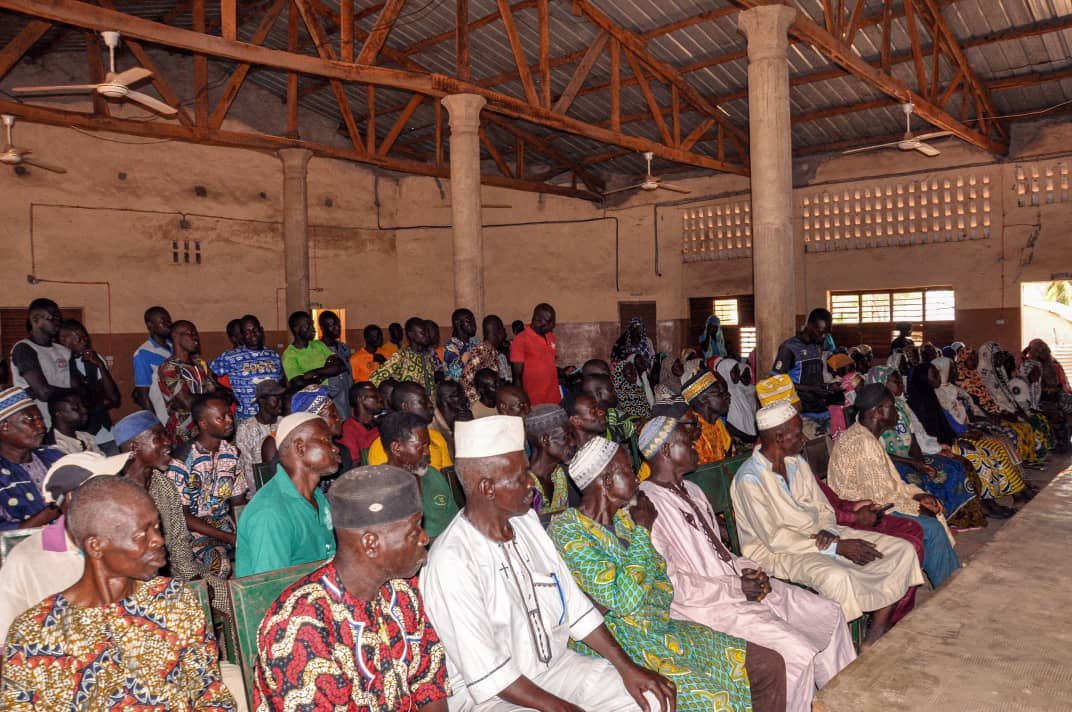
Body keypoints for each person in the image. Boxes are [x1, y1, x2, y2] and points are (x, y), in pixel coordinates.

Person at [420, 416, 677, 712]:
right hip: (494, 698)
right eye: (520, 477)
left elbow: (577, 608)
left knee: (652, 698)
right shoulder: (451, 561)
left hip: (555, 670)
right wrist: (563, 709)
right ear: (487, 488)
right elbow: (489, 675)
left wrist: (628, 668)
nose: (531, 484)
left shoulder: (526, 522)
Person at [551, 437, 788, 712]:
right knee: (718, 702)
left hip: (660, 628)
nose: (637, 479)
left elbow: (662, 586)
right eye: (628, 471)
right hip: (622, 645)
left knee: (767, 664)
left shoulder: (623, 521)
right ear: (606, 481)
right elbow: (624, 600)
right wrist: (643, 531)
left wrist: (632, 585)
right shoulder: (569, 530)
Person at [638, 416, 856, 712]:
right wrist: (737, 587)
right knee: (797, 651)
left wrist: (751, 572)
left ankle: (848, 702)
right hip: (706, 607)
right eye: (687, 443)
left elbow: (721, 556)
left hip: (737, 588)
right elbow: (673, 586)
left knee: (828, 613)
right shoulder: (646, 507)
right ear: (666, 451)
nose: (695, 448)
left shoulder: (694, 491)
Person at [2, 476, 236, 710]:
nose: (158, 540)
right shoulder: (35, 634)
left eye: (156, 526)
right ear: (96, 546)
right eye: (141, 535)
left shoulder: (174, 600)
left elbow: (210, 695)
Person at [254, 465, 450, 710]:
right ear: (371, 543)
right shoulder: (300, 626)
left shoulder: (402, 591)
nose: (424, 538)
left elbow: (428, 686)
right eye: (413, 531)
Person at [731, 403, 924, 642]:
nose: (804, 438)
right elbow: (776, 539)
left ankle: (875, 632)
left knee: (902, 550)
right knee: (837, 577)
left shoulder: (796, 463)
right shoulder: (750, 480)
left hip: (822, 537)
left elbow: (823, 508)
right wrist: (836, 547)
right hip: (779, 554)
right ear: (779, 437)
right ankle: (841, 648)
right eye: (798, 433)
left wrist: (830, 532)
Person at [827, 383, 961, 588]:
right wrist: (917, 506)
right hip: (859, 514)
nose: (898, 412)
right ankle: (950, 588)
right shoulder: (863, 443)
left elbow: (889, 486)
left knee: (929, 506)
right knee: (931, 527)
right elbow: (880, 500)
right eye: (893, 406)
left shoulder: (865, 436)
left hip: (873, 504)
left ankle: (947, 575)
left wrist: (917, 496)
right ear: (878, 411)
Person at [0, 450, 128, 644]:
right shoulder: (27, 559)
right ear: (71, 498)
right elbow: (5, 642)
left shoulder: (125, 539)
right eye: (105, 488)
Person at [869, 366, 987, 527]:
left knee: (955, 465)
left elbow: (913, 437)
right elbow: (877, 453)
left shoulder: (901, 406)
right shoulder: (872, 414)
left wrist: (920, 461)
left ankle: (962, 515)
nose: (902, 386)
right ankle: (942, 518)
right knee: (923, 478)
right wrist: (915, 463)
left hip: (909, 458)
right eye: (896, 382)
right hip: (889, 463)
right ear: (881, 383)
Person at [915, 357, 1026, 515]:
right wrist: (954, 440)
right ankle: (987, 502)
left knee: (995, 449)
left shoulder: (931, 397)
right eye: (935, 375)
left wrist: (958, 436)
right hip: (936, 447)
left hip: (949, 440)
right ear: (923, 378)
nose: (939, 378)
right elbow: (926, 435)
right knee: (979, 458)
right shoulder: (918, 402)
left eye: (938, 374)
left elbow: (948, 423)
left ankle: (1017, 491)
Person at [235, 413, 339, 577]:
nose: (335, 448)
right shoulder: (270, 513)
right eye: (327, 441)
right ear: (300, 447)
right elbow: (270, 587)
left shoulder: (317, 497)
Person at [166, 393, 246, 576]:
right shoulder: (183, 461)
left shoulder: (231, 453)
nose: (229, 421)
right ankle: (215, 602)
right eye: (221, 418)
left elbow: (238, 502)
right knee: (219, 565)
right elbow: (183, 517)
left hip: (224, 526)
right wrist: (229, 538)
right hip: (192, 533)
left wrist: (244, 532)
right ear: (203, 424)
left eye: (229, 415)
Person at [382, 411, 459, 539]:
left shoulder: (433, 475)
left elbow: (455, 524)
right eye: (420, 447)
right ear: (396, 448)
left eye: (427, 445)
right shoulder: (380, 489)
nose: (427, 452)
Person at [10, 297, 81, 429]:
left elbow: (78, 389)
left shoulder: (64, 351)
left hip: (66, 426)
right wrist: (71, 391)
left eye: (59, 318)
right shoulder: (24, 349)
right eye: (52, 317)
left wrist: (54, 390)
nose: (58, 322)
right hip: (37, 425)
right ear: (36, 320)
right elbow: (44, 393)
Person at [0, 387, 64, 529]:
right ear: (5, 427)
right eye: (30, 420)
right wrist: (52, 512)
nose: (42, 426)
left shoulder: (55, 456)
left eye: (40, 418)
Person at [58, 319, 120, 453]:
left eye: (85, 337)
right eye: (79, 338)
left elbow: (114, 398)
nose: (85, 341)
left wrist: (101, 366)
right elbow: (84, 401)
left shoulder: (94, 358)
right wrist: (99, 397)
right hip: (79, 440)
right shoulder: (59, 364)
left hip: (105, 434)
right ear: (64, 340)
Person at [210, 314, 285, 423]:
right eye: (247, 332)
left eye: (255, 330)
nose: (252, 334)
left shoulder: (273, 355)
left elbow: (281, 381)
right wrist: (227, 392)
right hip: (246, 418)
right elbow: (210, 374)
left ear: (261, 330)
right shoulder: (230, 356)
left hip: (273, 417)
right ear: (242, 335)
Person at [366, 381, 453, 470]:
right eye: (423, 402)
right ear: (405, 407)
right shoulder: (382, 447)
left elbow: (447, 477)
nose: (430, 405)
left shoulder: (436, 437)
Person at [158, 320, 219, 445]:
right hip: (184, 431)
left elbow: (217, 393)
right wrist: (211, 397)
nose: (195, 337)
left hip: (206, 429)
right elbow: (187, 402)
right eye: (190, 333)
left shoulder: (199, 364)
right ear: (175, 336)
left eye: (195, 333)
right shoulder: (169, 368)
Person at [771, 308, 841, 415]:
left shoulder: (817, 346)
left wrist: (827, 386)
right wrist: (811, 389)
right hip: (801, 411)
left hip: (820, 408)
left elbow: (812, 378)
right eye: (820, 332)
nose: (824, 337)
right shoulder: (789, 348)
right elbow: (776, 382)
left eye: (827, 333)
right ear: (809, 325)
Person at [524, 404, 579, 525]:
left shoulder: (565, 474)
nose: (573, 442)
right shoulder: (522, 485)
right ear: (545, 440)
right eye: (566, 437)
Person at [235, 379, 284, 492]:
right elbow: (247, 469)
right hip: (260, 491)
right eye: (275, 399)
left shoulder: (284, 423)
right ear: (262, 401)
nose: (280, 403)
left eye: (281, 398)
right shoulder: (246, 429)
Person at [371, 316, 437, 398]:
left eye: (427, 332)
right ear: (411, 335)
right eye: (422, 333)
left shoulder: (427, 356)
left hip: (429, 405)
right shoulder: (401, 356)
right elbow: (375, 379)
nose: (427, 335)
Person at [282, 310, 346, 392]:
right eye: (308, 325)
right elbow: (298, 383)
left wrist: (313, 373)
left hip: (329, 396)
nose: (313, 328)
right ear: (296, 328)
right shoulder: (289, 354)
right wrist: (325, 372)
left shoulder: (318, 345)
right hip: (309, 400)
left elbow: (340, 366)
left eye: (312, 324)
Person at [510, 303, 560, 406]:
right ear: (537, 320)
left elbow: (548, 364)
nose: (553, 325)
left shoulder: (550, 336)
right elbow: (517, 376)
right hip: (534, 402)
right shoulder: (520, 340)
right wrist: (522, 403)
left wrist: (563, 371)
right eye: (549, 321)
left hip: (554, 398)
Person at [681, 370, 734, 464]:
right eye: (721, 393)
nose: (728, 395)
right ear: (703, 400)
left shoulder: (716, 422)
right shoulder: (691, 430)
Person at [132, 305, 173, 423]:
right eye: (162, 321)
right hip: (163, 417)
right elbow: (143, 395)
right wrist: (155, 423)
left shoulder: (175, 346)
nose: (168, 323)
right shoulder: (143, 354)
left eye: (169, 320)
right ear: (150, 325)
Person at [462, 315, 511, 403]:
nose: (505, 332)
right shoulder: (482, 350)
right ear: (498, 332)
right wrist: (476, 401)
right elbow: (465, 377)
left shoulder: (492, 350)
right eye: (503, 329)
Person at [317, 309, 355, 421]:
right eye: (332, 325)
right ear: (323, 328)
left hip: (348, 397)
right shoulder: (318, 350)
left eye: (338, 324)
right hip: (332, 398)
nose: (337, 328)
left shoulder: (343, 348)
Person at [340, 381, 384, 464]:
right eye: (374, 396)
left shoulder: (380, 424)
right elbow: (355, 464)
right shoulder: (348, 429)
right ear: (360, 399)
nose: (380, 399)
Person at [716, 357, 757, 443]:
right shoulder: (723, 395)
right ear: (725, 372)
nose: (737, 375)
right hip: (740, 436)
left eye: (737, 372)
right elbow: (729, 424)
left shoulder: (737, 389)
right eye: (734, 372)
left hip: (749, 435)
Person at [612, 354, 653, 420]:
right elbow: (635, 418)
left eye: (634, 370)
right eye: (629, 373)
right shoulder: (622, 397)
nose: (634, 375)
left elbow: (648, 408)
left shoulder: (636, 388)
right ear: (622, 377)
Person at [445, 308, 480, 382]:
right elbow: (456, 377)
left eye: (474, 321)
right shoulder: (451, 347)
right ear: (457, 323)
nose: (474, 325)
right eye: (469, 321)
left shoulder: (476, 342)